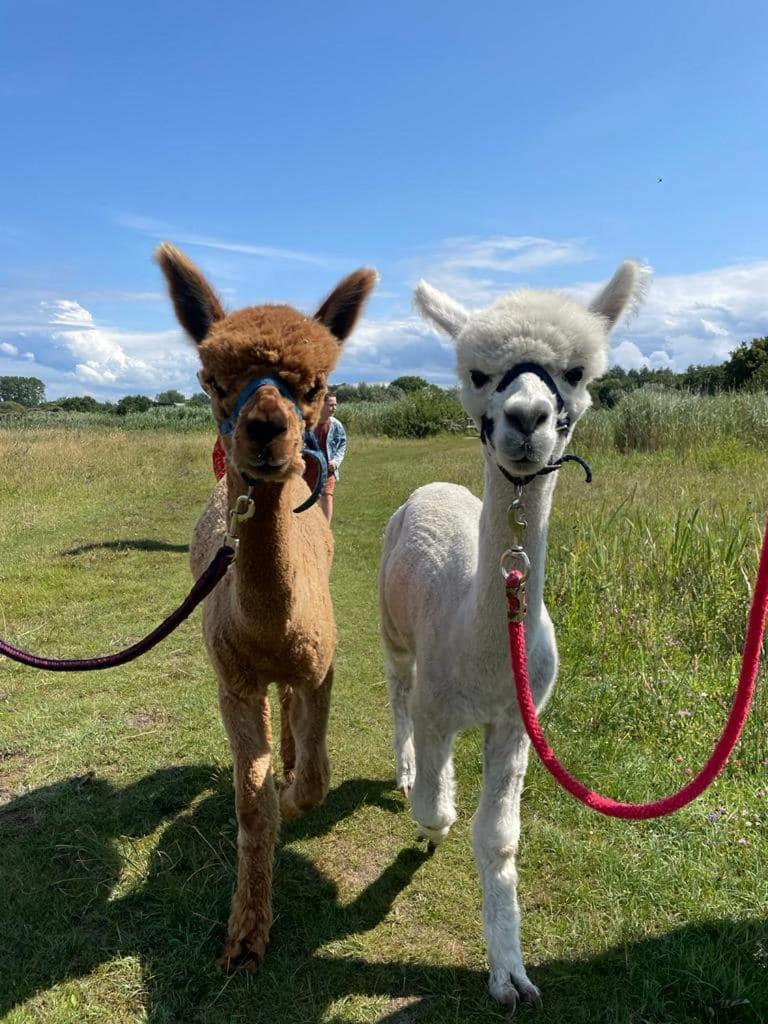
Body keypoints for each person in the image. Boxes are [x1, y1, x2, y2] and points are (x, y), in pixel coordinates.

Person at [305, 392, 346, 523]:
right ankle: (307, 525)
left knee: (327, 496)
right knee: (306, 497)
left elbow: (342, 444)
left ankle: (325, 530)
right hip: (308, 468)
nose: (334, 408)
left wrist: (336, 462)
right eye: (330, 405)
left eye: (335, 405)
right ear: (321, 405)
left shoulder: (336, 425)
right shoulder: (308, 423)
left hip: (327, 469)